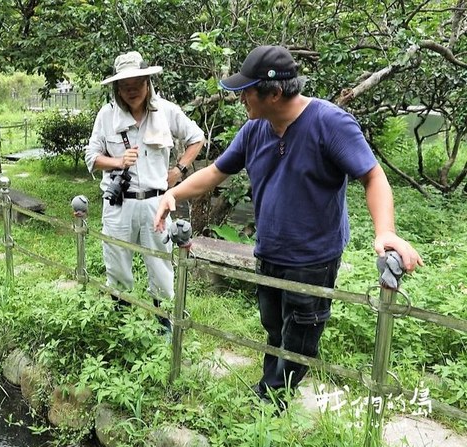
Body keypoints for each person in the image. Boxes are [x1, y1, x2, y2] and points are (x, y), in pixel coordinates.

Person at [153, 45, 423, 407]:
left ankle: (273, 402)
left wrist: (385, 232)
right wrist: (173, 194)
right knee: (274, 329)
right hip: (269, 252)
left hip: (312, 258)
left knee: (299, 337)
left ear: (274, 93)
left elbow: (373, 176)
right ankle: (271, 390)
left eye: (247, 92)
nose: (241, 99)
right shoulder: (254, 130)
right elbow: (217, 171)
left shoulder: (330, 123)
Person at [85, 51, 206, 331]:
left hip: (157, 204)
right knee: (116, 265)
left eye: (137, 84)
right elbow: (91, 156)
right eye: (124, 86)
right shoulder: (107, 115)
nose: (131, 91)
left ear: (148, 82)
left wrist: (179, 171)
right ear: (117, 88)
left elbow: (196, 138)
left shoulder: (166, 111)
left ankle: (163, 328)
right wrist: (117, 161)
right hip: (119, 205)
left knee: (162, 266)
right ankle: (121, 326)